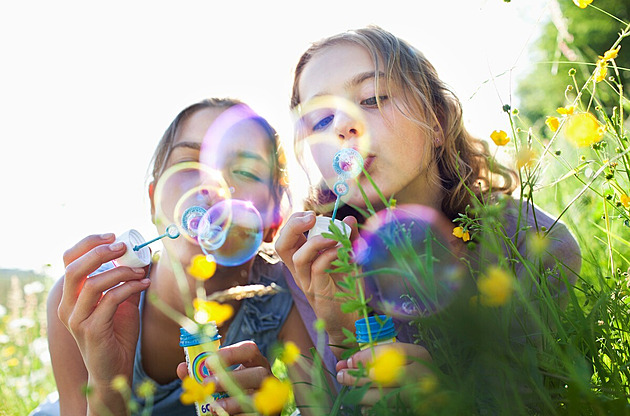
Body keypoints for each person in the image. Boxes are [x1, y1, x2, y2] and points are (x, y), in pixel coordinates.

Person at [275, 26, 582, 408]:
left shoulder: (530, 242)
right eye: (320, 120)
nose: (341, 126)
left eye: (372, 97)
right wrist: (341, 330)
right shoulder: (311, 264)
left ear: (436, 122)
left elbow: (539, 401)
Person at [34, 98, 329, 416]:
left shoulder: (283, 293)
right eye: (189, 162)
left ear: (274, 219)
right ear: (153, 201)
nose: (210, 186)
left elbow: (323, 408)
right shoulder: (88, 298)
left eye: (244, 170)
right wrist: (106, 391)